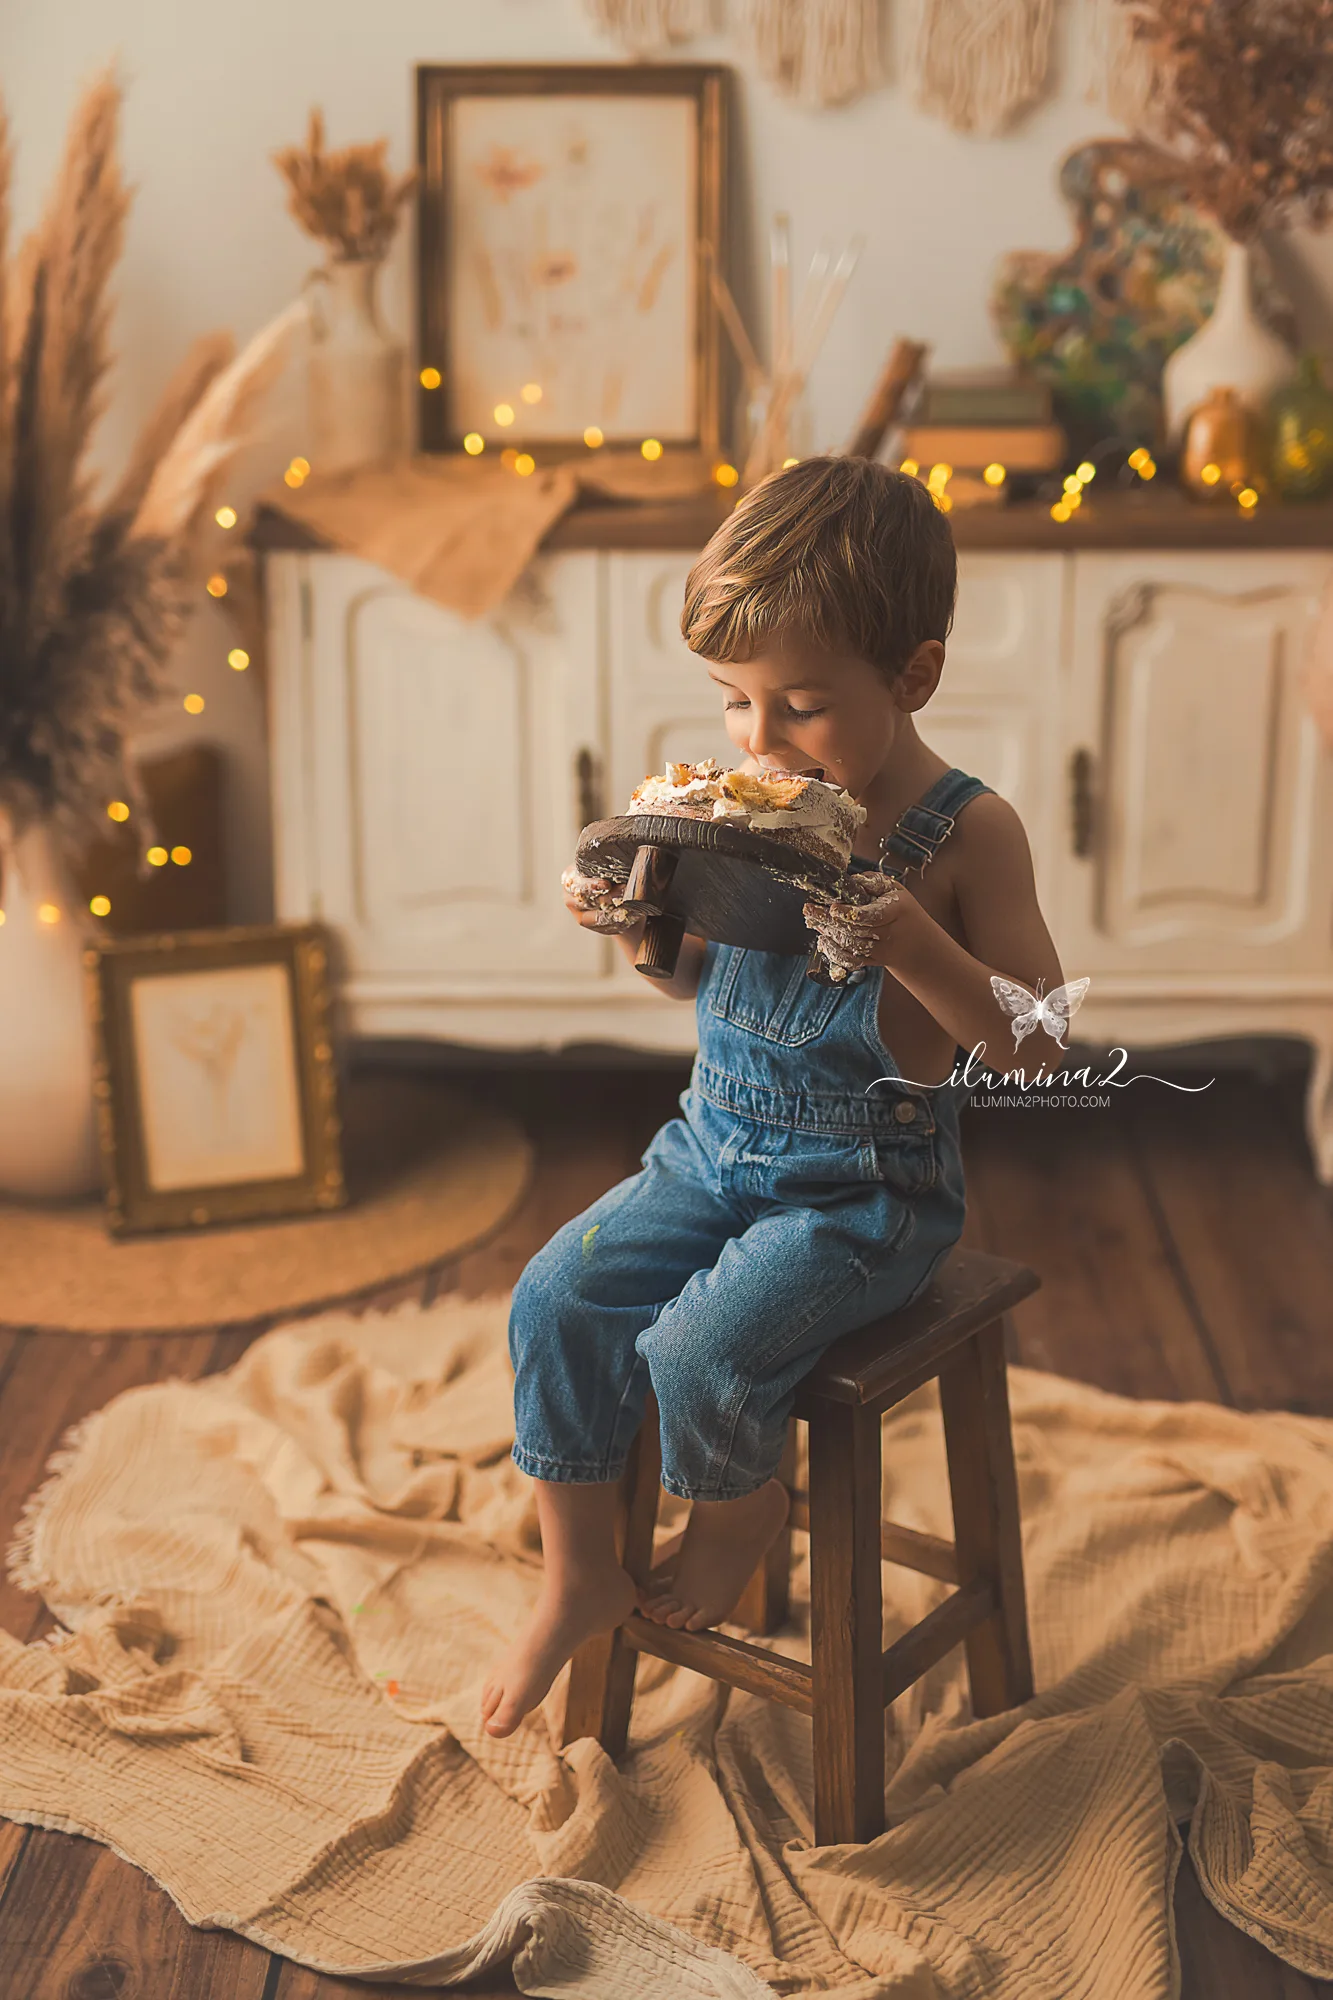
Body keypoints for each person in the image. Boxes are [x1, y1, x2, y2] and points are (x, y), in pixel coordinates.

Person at [481, 456, 1067, 1739]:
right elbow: (705, 984)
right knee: (556, 1294)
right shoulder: (745, 805)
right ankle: (578, 1567)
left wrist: (914, 943)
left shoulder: (971, 835)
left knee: (697, 1346)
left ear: (911, 677)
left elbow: (1036, 1044)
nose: (756, 740)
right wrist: (645, 932)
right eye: (733, 701)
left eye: (798, 705)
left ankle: (743, 1506)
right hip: (710, 1151)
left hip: (865, 1197)